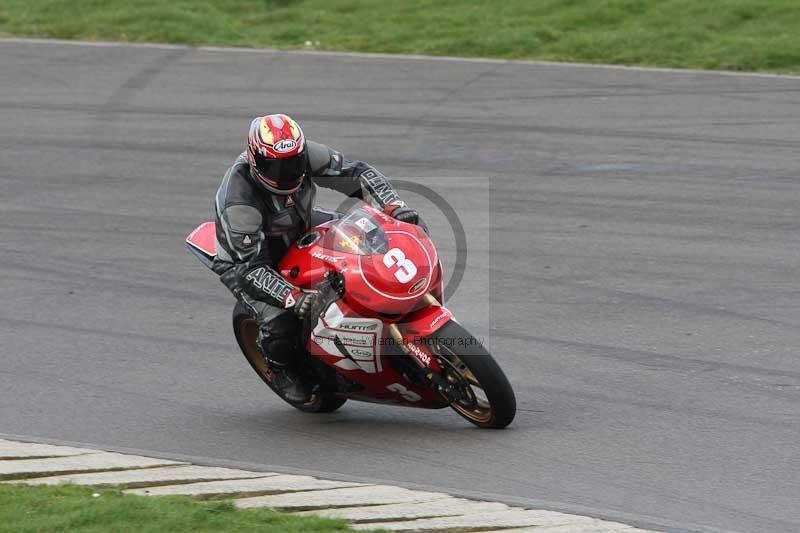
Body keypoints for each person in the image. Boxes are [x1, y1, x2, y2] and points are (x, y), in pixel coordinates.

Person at [213, 114, 423, 402]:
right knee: (280, 321)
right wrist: (292, 297)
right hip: (249, 259)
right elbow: (250, 269)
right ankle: (281, 369)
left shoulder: (304, 153)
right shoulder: (239, 202)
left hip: (300, 224)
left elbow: (357, 172)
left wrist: (393, 206)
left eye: (293, 163)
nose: (286, 173)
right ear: (255, 160)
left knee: (368, 236)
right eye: (275, 166)